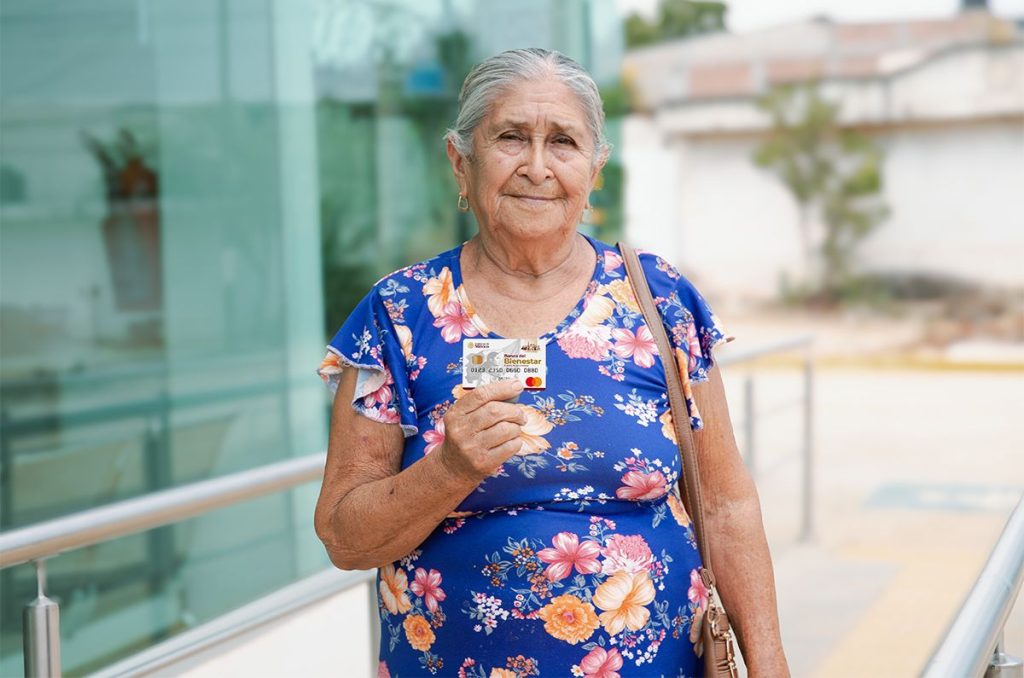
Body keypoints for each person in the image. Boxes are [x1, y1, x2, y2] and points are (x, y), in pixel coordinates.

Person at [314, 48, 789, 677]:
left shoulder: (658, 300)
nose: (537, 167)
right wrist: (449, 469)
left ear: (594, 171)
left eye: (562, 142)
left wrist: (771, 662)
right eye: (511, 137)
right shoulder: (400, 316)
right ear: (462, 162)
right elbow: (345, 536)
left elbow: (727, 504)